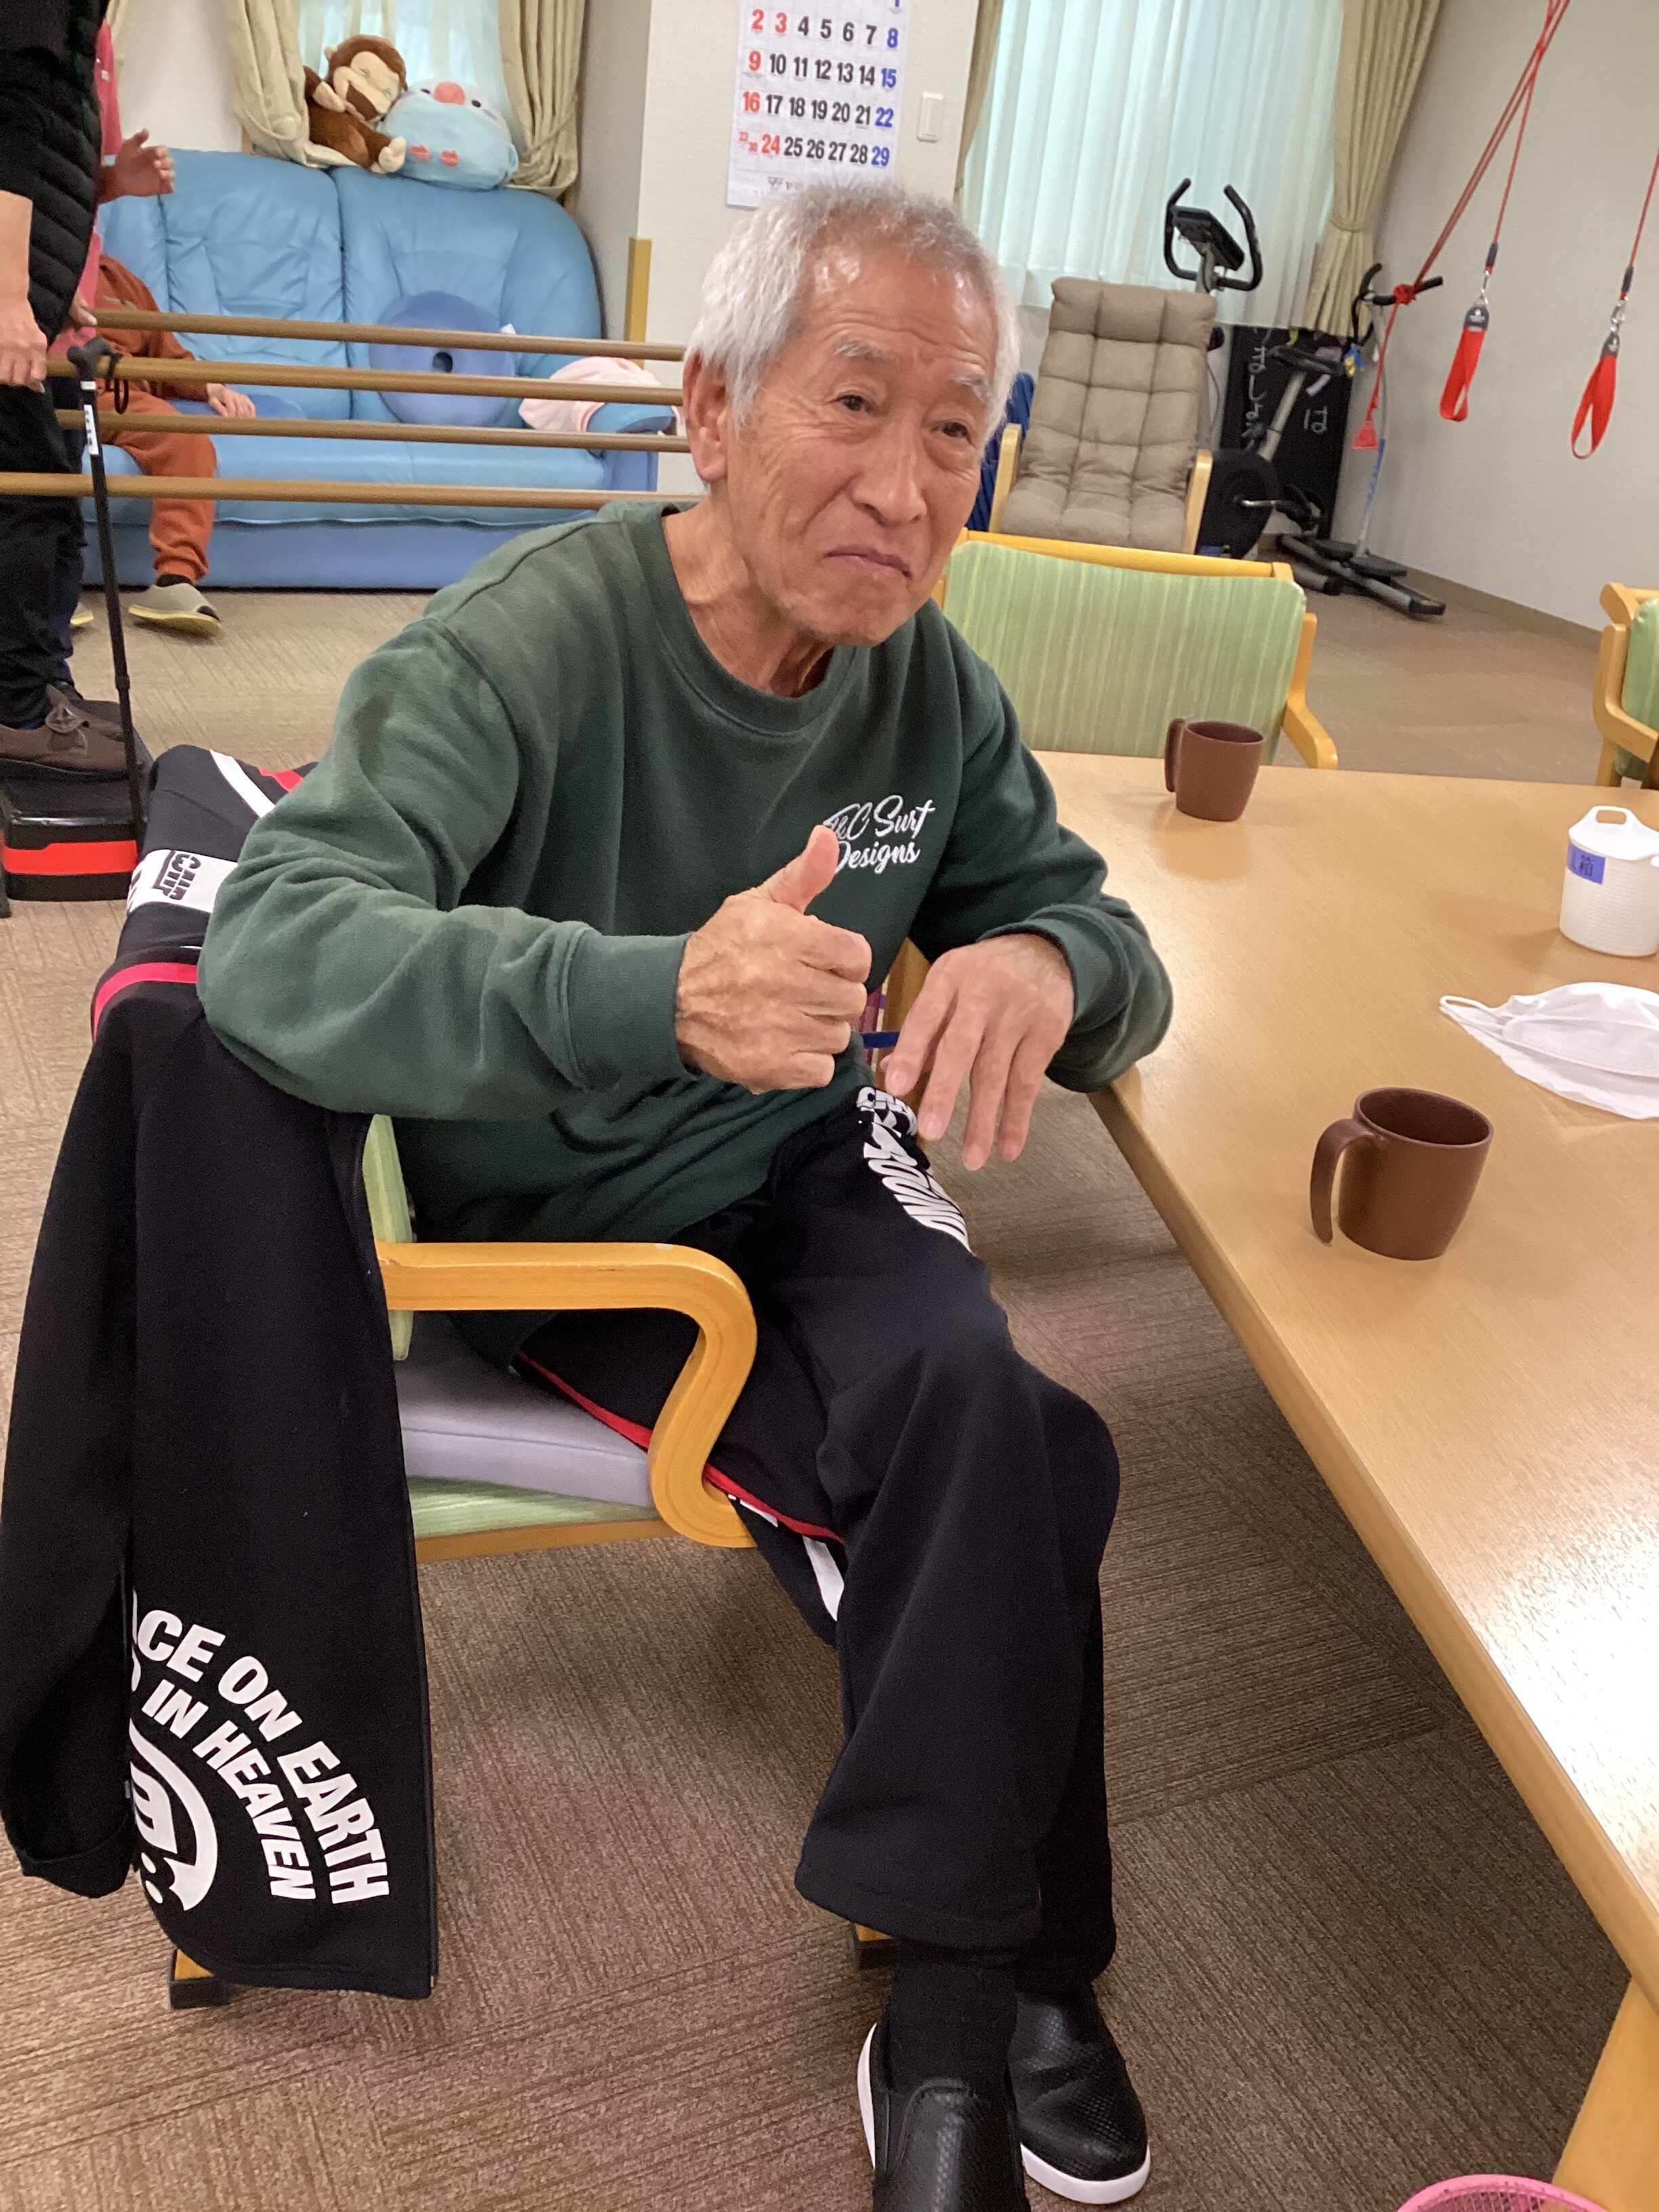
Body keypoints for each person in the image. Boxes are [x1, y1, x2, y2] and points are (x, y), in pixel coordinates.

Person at [199, 182, 1173, 2212]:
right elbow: (277, 948)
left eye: (954, 429)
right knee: (1012, 1454)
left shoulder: (928, 687)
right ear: (711, 411)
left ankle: (953, 1992)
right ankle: (1012, 1979)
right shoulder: (520, 651)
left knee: (987, 1412)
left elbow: (1104, 942)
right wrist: (651, 993)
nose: (908, 484)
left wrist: (1042, 956)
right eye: (857, 402)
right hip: (583, 1229)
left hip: (810, 1159)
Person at [0, 6, 171, 775]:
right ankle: (21, 711)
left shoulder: (77, 29)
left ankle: (39, 691)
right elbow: (11, 129)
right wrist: (8, 298)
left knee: (51, 506)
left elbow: (45, 165)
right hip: (13, 310)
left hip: (39, 303)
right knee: (29, 501)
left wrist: (50, 283)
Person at [80, 251, 255, 639]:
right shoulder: (20, 262)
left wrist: (210, 386)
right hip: (41, 385)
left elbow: (166, 357)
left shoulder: (120, 279)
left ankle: (175, 580)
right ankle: (40, 584)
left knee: (185, 438)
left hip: (118, 397)